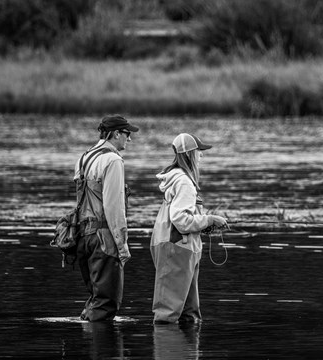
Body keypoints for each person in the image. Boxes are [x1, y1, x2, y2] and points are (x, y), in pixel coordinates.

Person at [150, 133, 227, 324]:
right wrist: (209, 219)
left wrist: (203, 224)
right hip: (177, 249)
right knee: (167, 314)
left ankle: (188, 351)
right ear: (190, 154)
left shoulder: (179, 179)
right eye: (199, 152)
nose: (202, 156)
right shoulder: (184, 181)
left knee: (189, 314)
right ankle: (169, 349)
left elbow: (181, 217)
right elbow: (180, 220)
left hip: (179, 248)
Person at [74, 114, 139, 321]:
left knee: (95, 299)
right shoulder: (113, 160)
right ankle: (104, 350)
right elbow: (113, 207)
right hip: (103, 238)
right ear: (116, 134)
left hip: (83, 237)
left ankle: (89, 342)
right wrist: (122, 246)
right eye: (127, 134)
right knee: (106, 303)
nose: (130, 139)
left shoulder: (83, 157)